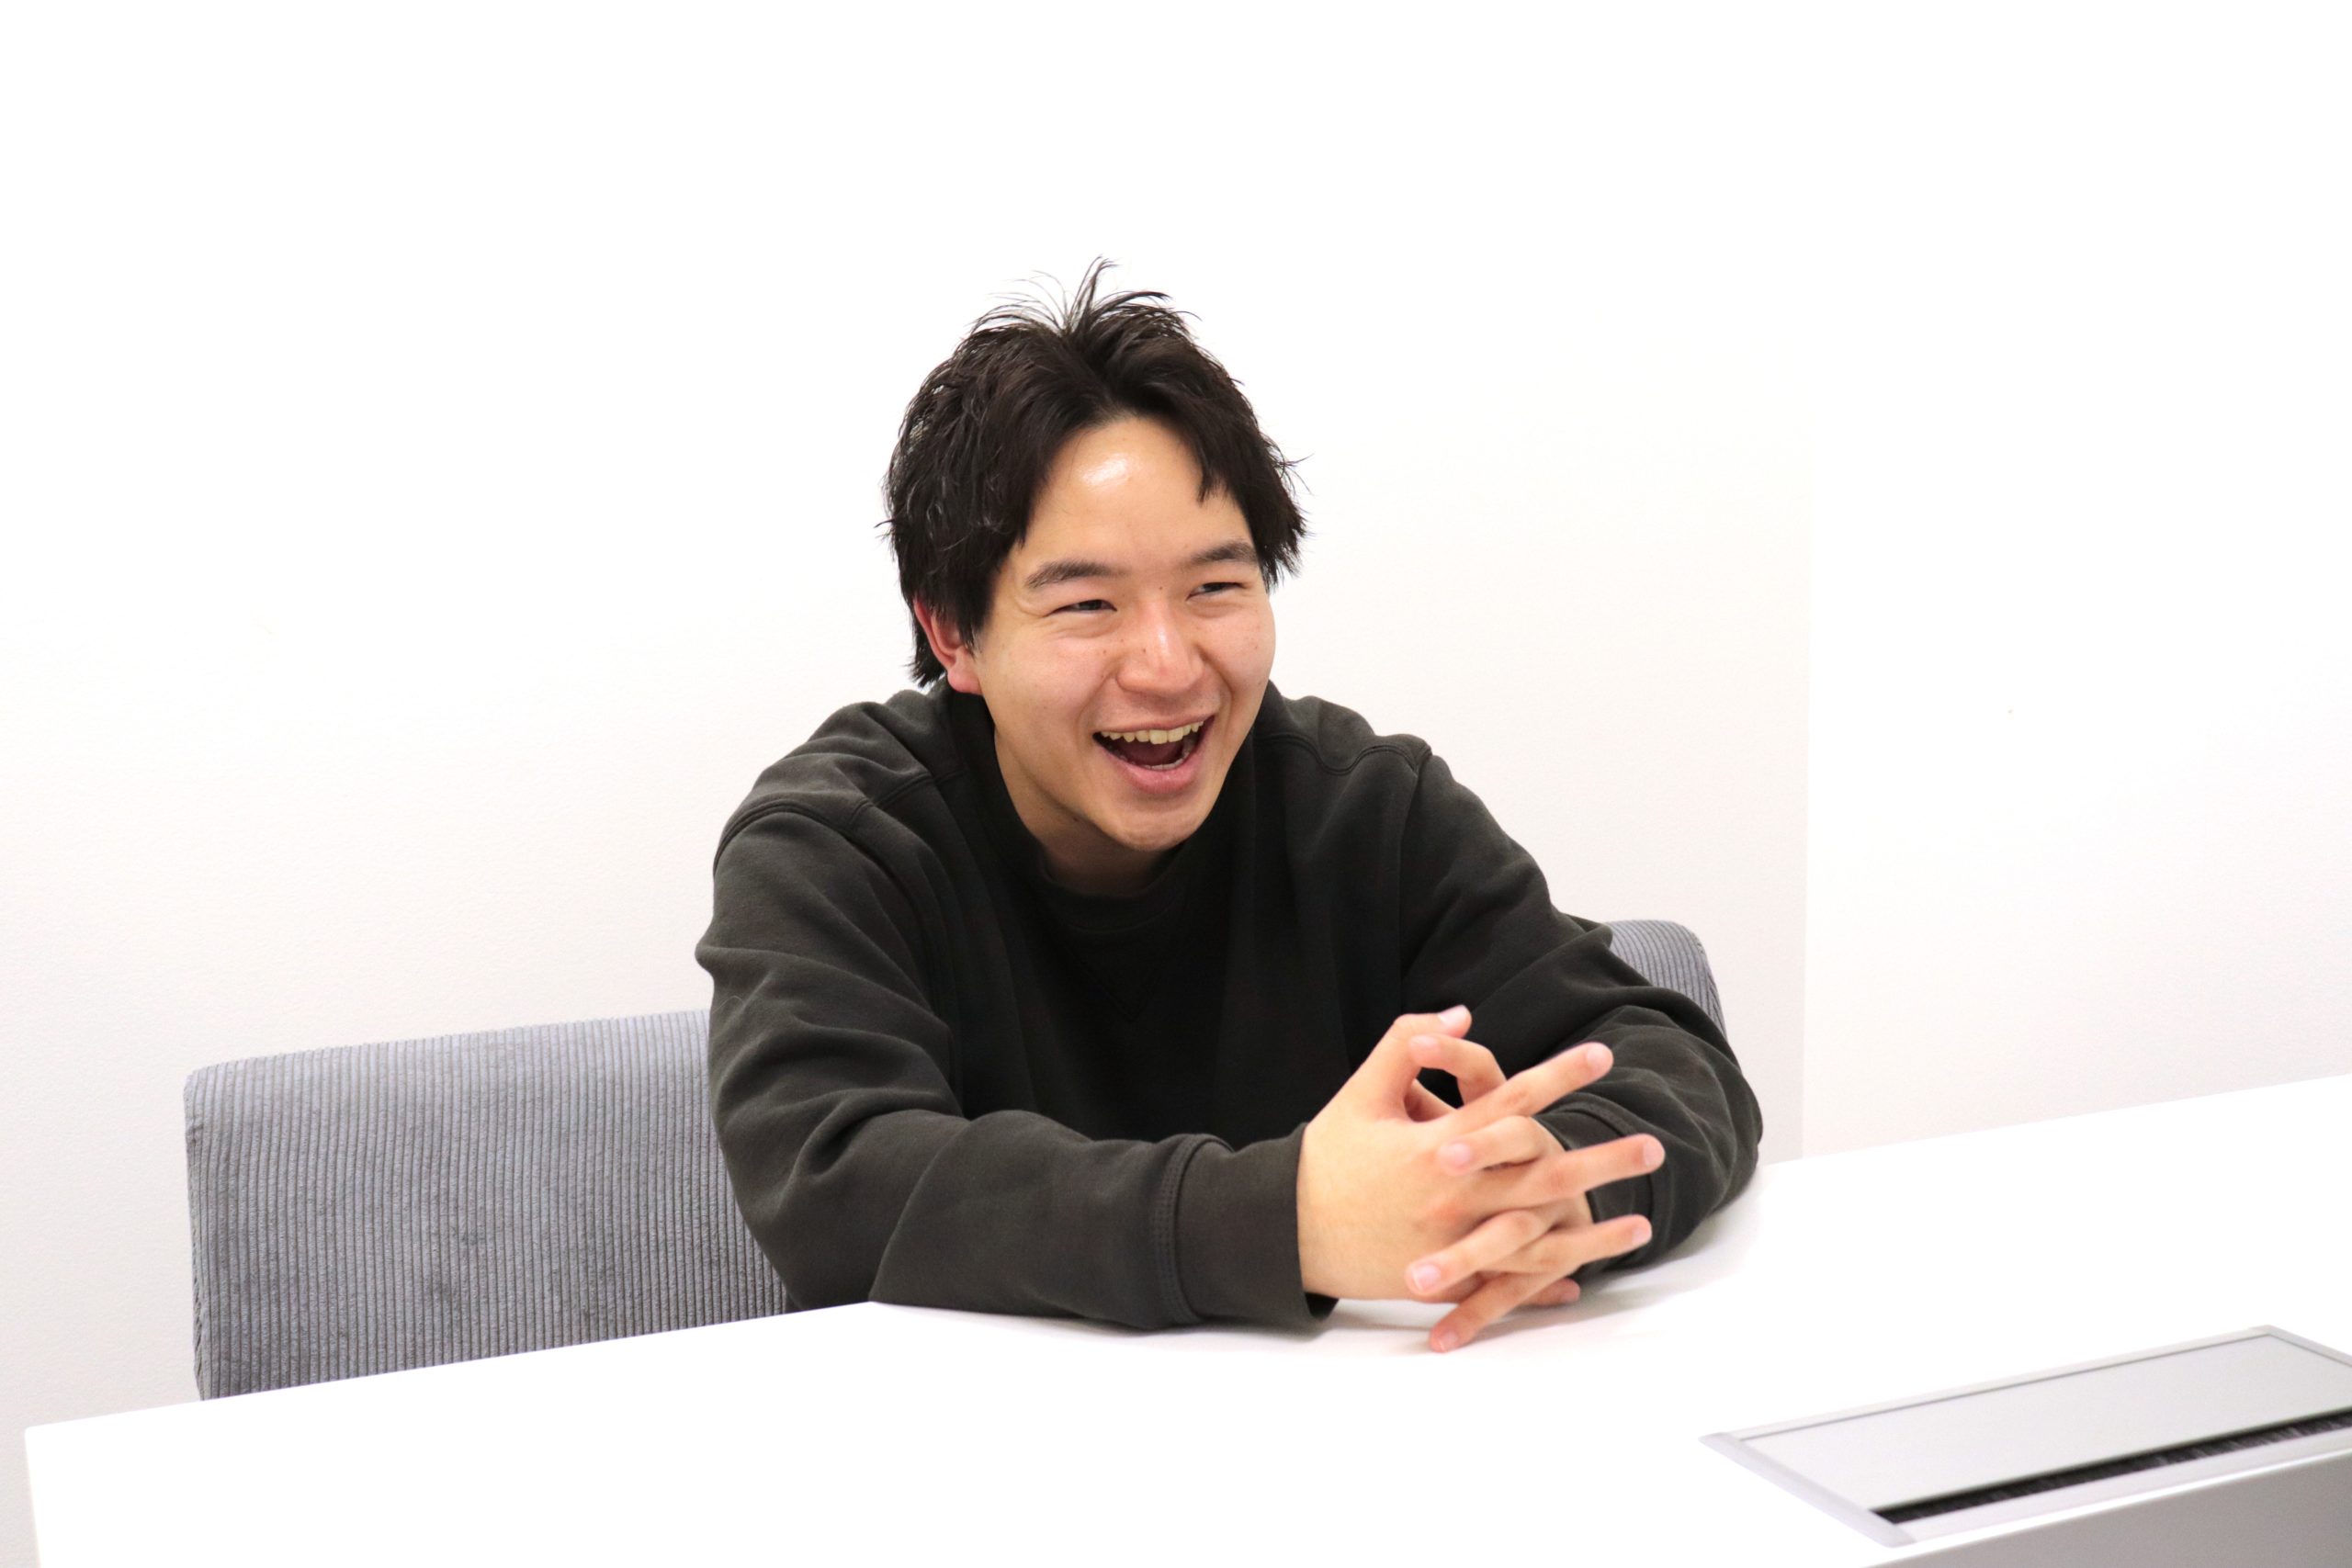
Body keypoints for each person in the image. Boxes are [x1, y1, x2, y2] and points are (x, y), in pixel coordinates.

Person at [695, 261, 1761, 1353]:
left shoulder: (1361, 809)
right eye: (1088, 604)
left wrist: (1538, 1189)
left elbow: (1661, 1058)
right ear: (953, 634)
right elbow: (836, 1186)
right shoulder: (836, 844)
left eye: (1215, 587)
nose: (1167, 666)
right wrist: (1289, 1221)